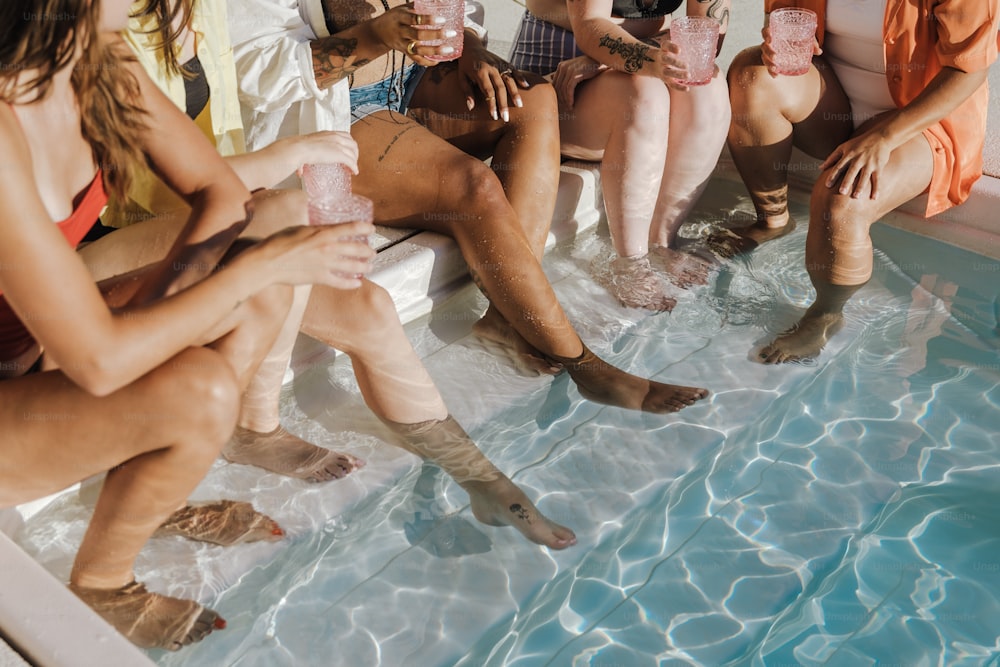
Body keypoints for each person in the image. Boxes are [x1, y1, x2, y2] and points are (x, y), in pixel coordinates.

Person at [90, 0, 580, 550]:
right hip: (121, 239)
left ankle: (484, 481)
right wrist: (291, 160)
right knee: (282, 219)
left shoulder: (191, 12)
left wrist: (288, 174)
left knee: (369, 308)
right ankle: (249, 429)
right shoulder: (93, 34)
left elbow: (206, 175)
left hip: (211, 214)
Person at [0, 0, 378, 650]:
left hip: (34, 346)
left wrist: (165, 322)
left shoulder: (98, 56)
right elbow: (98, 363)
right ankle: (103, 580)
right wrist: (258, 269)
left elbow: (221, 192)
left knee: (252, 286)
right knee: (200, 388)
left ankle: (144, 483)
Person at [229, 0, 711, 414]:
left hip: (417, 79)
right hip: (339, 107)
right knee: (472, 185)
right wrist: (375, 36)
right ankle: (582, 363)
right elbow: (253, 70)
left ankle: (505, 320)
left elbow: (458, 11)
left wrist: (473, 47)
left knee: (533, 99)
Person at [726, 0, 998, 362]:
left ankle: (826, 314)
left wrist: (884, 137)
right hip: (829, 103)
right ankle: (773, 219)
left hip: (920, 121)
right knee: (751, 75)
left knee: (844, 197)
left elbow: (968, 71)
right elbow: (783, 19)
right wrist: (776, 45)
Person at [509, 0, 732, 310]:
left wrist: (611, 59)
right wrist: (639, 58)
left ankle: (662, 240)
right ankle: (630, 261)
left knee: (708, 84)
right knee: (644, 92)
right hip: (555, 80)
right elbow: (590, 26)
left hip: (621, 59)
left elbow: (706, 36)